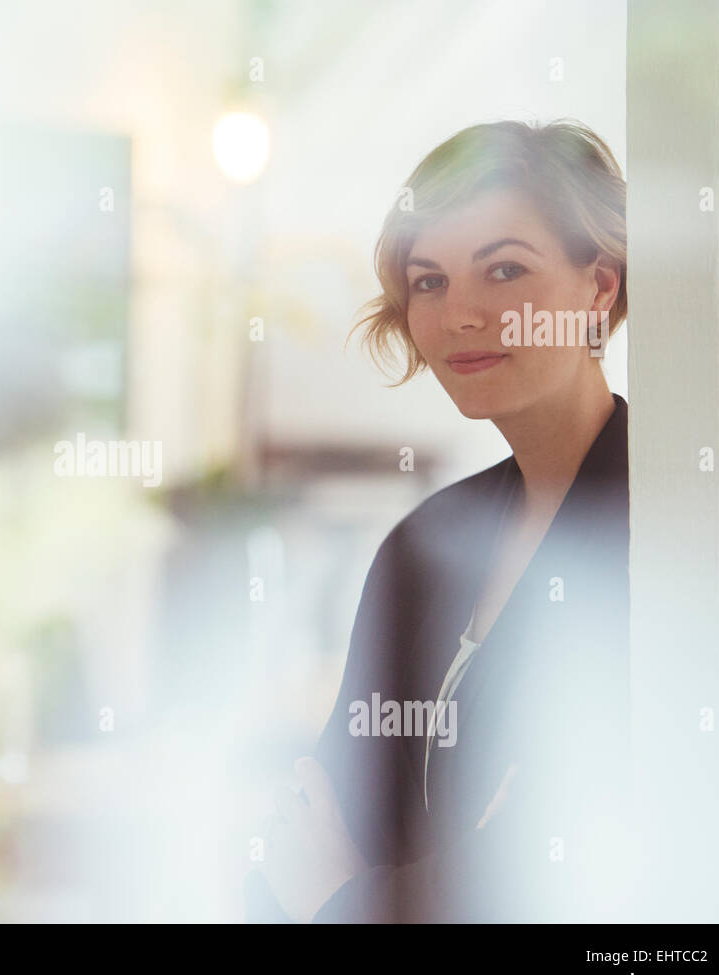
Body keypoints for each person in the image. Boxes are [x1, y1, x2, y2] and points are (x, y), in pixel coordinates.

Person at [247, 119, 634, 922]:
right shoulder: (419, 549)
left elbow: (565, 887)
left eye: (503, 269)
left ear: (599, 286)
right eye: (429, 280)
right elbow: (300, 839)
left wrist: (354, 897)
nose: (461, 313)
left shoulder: (663, 526)